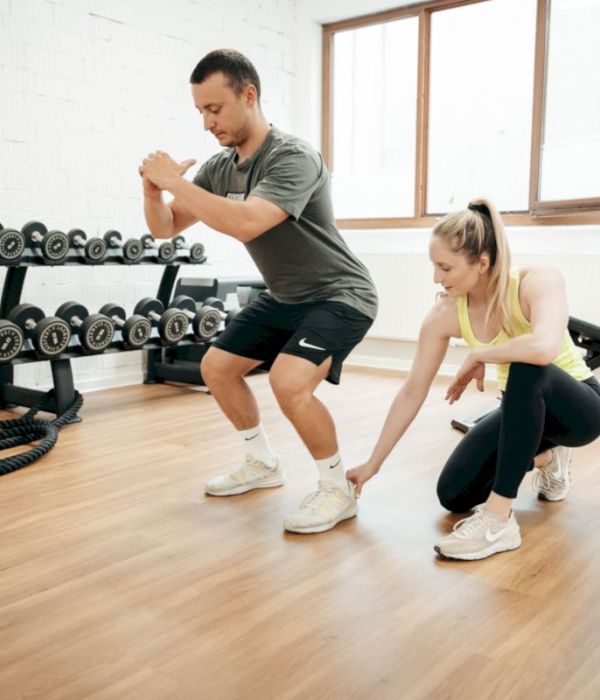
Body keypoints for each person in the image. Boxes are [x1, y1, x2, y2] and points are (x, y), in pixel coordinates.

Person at [139, 49, 378, 534]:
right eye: (200, 111)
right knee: (216, 368)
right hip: (286, 296)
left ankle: (338, 489)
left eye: (215, 108)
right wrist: (153, 192)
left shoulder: (293, 157)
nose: (207, 123)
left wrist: (175, 182)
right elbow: (165, 228)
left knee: (289, 382)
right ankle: (262, 462)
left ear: (248, 95)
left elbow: (248, 222)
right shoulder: (219, 169)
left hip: (341, 293)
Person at [346, 199, 600, 560]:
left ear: (481, 263)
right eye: (434, 266)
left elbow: (543, 348)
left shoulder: (537, 281)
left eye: (445, 267)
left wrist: (481, 354)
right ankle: (547, 459)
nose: (436, 278)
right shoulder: (445, 313)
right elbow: (412, 390)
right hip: (522, 411)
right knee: (454, 495)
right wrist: (373, 463)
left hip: (580, 410)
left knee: (526, 366)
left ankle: (499, 520)